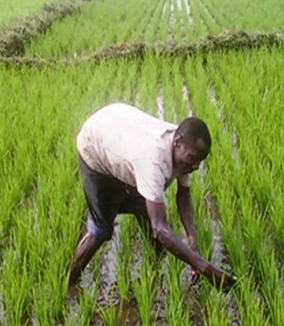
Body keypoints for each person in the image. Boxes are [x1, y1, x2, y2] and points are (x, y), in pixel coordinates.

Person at [69, 102, 236, 291]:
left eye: (200, 160)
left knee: (146, 206)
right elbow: (160, 229)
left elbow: (183, 197)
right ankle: (68, 283)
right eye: (193, 159)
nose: (196, 166)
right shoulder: (152, 161)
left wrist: (192, 241)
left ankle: (153, 267)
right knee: (101, 228)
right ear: (178, 142)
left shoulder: (183, 150)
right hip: (95, 143)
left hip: (119, 127)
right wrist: (204, 267)